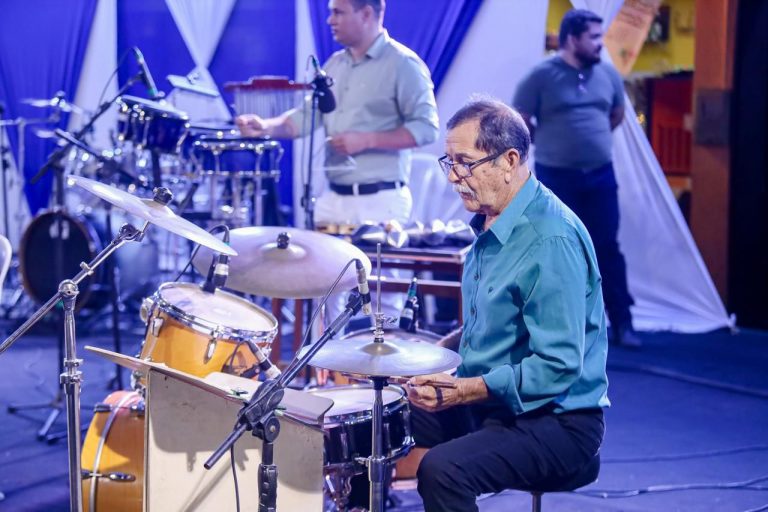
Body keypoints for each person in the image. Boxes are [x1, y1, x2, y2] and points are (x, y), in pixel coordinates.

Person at [406, 98, 609, 512]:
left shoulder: (550, 240)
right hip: (495, 402)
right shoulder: (492, 220)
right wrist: (422, 361)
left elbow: (557, 366)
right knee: (383, 419)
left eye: (465, 163)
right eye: (450, 162)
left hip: (558, 421)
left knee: (443, 471)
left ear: (509, 160)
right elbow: (487, 324)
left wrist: (466, 390)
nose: (454, 177)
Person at [236, 0, 439, 232]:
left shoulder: (404, 64)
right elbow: (305, 117)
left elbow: (427, 129)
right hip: (332, 198)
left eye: (338, 13)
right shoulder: (334, 64)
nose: (330, 20)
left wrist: (366, 140)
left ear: (366, 14)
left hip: (380, 203)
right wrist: (265, 127)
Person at [512, 8, 642, 348]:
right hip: (557, 178)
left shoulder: (608, 75)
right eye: (594, 37)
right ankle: (556, 326)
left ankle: (622, 322)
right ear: (572, 39)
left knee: (607, 247)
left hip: (600, 176)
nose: (600, 43)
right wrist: (554, 144)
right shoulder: (541, 76)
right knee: (556, 247)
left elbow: (616, 114)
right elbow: (520, 120)